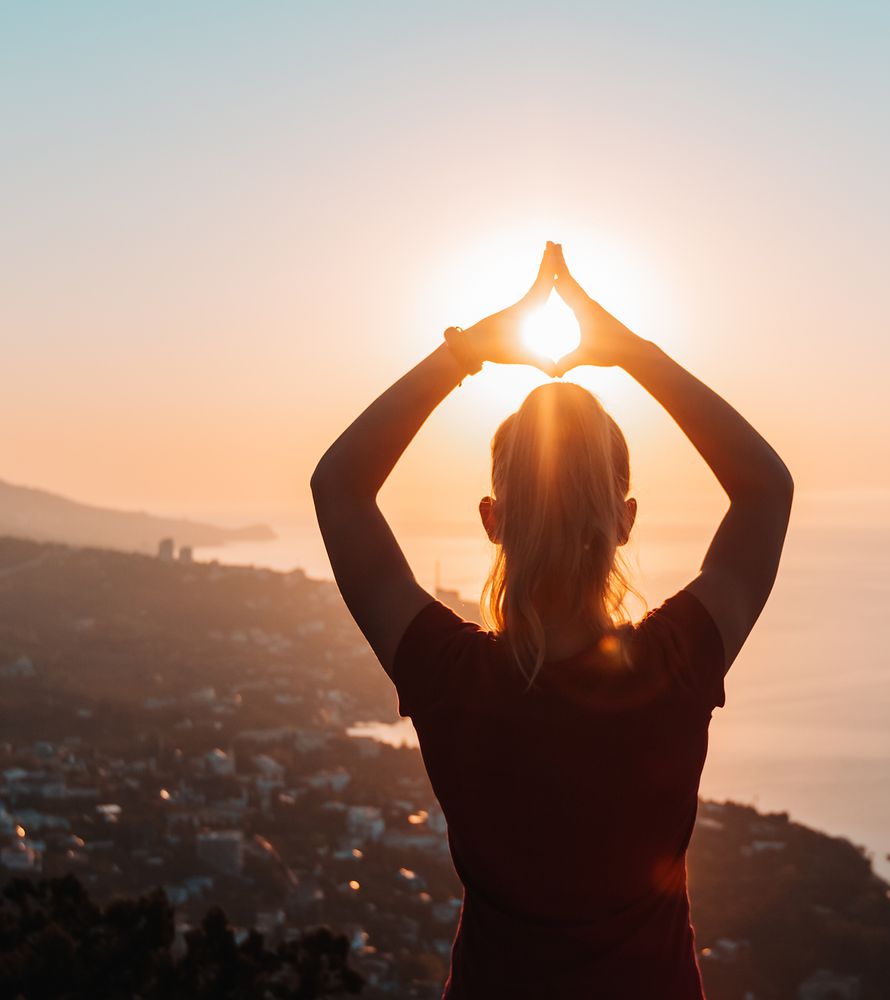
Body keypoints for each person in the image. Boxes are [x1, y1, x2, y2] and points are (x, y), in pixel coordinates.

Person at [311, 242, 793, 999]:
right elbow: (766, 491)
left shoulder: (449, 678)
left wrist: (466, 352)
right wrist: (634, 354)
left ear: (492, 520)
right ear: (626, 521)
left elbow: (338, 488)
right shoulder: (674, 666)